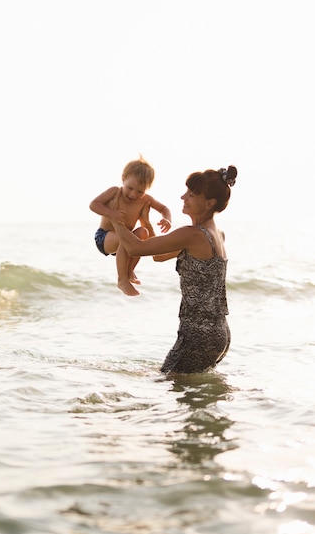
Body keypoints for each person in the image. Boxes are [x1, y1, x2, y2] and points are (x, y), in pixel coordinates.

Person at [111, 165, 238, 376]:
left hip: (196, 334)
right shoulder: (216, 234)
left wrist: (116, 220)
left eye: (191, 194)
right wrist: (146, 224)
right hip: (219, 333)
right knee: (186, 392)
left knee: (169, 386)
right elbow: (158, 255)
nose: (183, 197)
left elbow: (135, 248)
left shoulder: (193, 234)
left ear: (210, 203)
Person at [90, 155, 172, 296]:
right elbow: (94, 205)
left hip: (126, 241)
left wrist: (167, 219)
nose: (133, 194)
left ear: (147, 189)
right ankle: (122, 280)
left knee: (142, 233)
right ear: (123, 179)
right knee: (126, 238)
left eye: (140, 191)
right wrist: (111, 213)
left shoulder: (145, 200)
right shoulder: (114, 192)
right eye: (130, 188)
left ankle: (129, 271)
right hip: (105, 237)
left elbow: (164, 209)